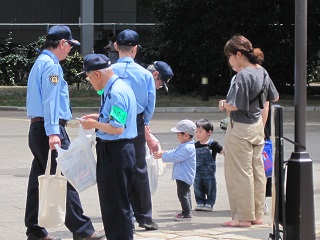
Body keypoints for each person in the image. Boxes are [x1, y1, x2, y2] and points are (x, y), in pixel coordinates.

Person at [25, 25, 105, 240]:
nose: (70, 50)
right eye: (70, 45)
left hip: (38, 129)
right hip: (49, 129)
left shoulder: (39, 63)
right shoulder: (51, 67)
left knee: (38, 181)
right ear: (62, 43)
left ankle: (34, 230)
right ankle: (83, 230)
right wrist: (54, 133)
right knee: (66, 176)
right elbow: (50, 102)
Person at [219, 35, 279, 227]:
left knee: (239, 173)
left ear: (238, 54)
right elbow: (271, 100)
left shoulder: (242, 75)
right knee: (257, 171)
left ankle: (242, 217)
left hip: (240, 128)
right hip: (257, 127)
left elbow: (234, 105)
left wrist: (222, 105)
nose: (229, 60)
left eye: (229, 56)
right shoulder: (262, 71)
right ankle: (257, 214)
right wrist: (262, 126)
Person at [78, 53, 137, 240]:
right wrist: (97, 118)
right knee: (112, 203)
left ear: (96, 74)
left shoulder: (116, 92)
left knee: (116, 204)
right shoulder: (115, 88)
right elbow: (114, 119)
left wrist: (94, 125)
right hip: (115, 150)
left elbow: (117, 128)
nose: (90, 83)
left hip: (116, 151)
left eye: (88, 78)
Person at [111, 29, 159, 230]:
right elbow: (150, 104)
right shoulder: (145, 74)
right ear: (135, 49)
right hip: (137, 122)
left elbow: (102, 93)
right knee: (139, 169)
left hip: (114, 121)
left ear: (116, 47)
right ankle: (145, 217)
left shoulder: (108, 70)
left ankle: (123, 215)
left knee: (117, 169)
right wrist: (143, 121)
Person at [153, 120, 196, 221]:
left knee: (183, 194)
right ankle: (187, 211)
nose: (177, 137)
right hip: (183, 175)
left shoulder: (187, 148)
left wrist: (162, 155)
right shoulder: (185, 145)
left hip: (184, 175)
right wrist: (165, 152)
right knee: (186, 193)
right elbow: (174, 152)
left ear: (185, 135)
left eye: (178, 135)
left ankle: (186, 213)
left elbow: (176, 156)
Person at [194, 119, 224, 212]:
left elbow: (222, 151)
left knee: (210, 187)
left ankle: (209, 203)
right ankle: (200, 202)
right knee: (197, 186)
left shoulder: (213, 144)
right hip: (197, 171)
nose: (197, 134)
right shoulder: (195, 145)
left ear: (209, 132)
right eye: (196, 132)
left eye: (200, 131)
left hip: (209, 171)